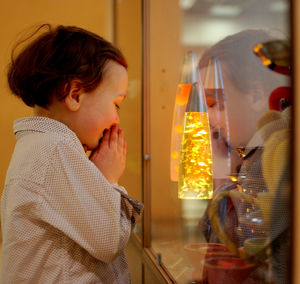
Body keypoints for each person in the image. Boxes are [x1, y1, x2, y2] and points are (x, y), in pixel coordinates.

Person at [1, 24, 143, 283]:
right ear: (75, 94)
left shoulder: (42, 146)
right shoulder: (54, 149)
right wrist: (108, 179)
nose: (116, 120)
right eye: (116, 104)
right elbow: (109, 242)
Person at [198, 29, 290, 254]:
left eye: (214, 103)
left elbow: (231, 246)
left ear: (257, 95)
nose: (208, 119)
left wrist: (222, 175)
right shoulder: (251, 154)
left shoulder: (267, 159)